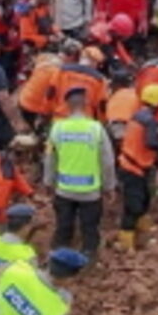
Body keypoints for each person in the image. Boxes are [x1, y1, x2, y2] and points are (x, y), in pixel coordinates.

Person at [44, 86, 113, 257]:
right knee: (90, 229)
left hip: (64, 190)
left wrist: (48, 181)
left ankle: (58, 259)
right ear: (86, 104)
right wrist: (109, 186)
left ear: (67, 105)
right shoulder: (96, 129)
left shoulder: (58, 129)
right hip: (90, 192)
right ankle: (88, 258)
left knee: (63, 226)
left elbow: (50, 158)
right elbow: (107, 161)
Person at [117, 84, 158, 250]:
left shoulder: (138, 116)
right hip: (133, 167)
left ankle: (143, 228)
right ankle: (126, 242)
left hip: (135, 165)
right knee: (133, 206)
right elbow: (151, 142)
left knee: (144, 198)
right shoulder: (149, 120)